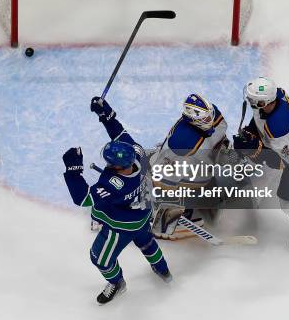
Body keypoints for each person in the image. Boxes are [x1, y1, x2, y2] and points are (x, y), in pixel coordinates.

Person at [62, 97, 172, 305]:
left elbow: (83, 198)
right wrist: (106, 114)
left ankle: (117, 283)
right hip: (142, 212)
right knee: (146, 242)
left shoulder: (114, 184)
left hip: (120, 226)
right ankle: (164, 273)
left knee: (99, 258)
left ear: (117, 167)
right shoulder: (138, 153)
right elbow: (120, 134)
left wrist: (73, 171)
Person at [233, 77, 289, 250]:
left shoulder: (279, 125)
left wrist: (256, 152)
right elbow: (259, 119)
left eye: (252, 100)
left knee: (288, 203)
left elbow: (282, 163)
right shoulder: (272, 99)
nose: (249, 102)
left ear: (264, 102)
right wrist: (251, 134)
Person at [148, 93, 230, 240]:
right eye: (205, 119)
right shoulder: (183, 143)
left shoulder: (211, 112)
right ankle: (179, 216)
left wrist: (222, 146)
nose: (209, 120)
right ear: (193, 120)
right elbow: (167, 179)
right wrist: (170, 210)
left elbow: (220, 127)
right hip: (171, 168)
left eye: (209, 116)